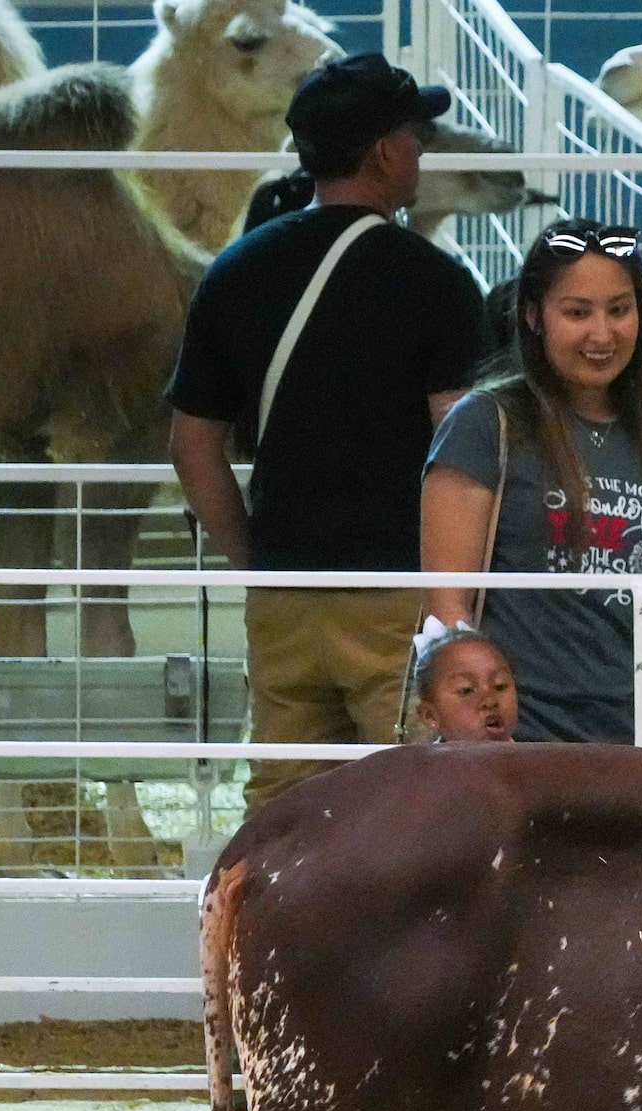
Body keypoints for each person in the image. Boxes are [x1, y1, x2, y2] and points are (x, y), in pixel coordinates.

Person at [167, 53, 486, 808]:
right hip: (395, 593)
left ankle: (272, 926)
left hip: (284, 590)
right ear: (382, 151)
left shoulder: (234, 271)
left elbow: (191, 445)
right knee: (407, 797)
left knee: (285, 801)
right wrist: (459, 593)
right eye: (414, 135)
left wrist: (256, 558)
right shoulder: (435, 283)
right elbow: (456, 445)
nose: (419, 150)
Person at [421, 221, 642, 748]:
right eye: (577, 312)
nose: (602, 334)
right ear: (533, 317)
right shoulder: (484, 423)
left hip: (632, 739)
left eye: (620, 309)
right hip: (516, 748)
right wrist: (478, 727)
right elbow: (448, 605)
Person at [400, 624, 519, 743]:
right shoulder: (421, 762)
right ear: (430, 715)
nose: (490, 701)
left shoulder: (532, 759)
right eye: (466, 690)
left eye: (500, 686)